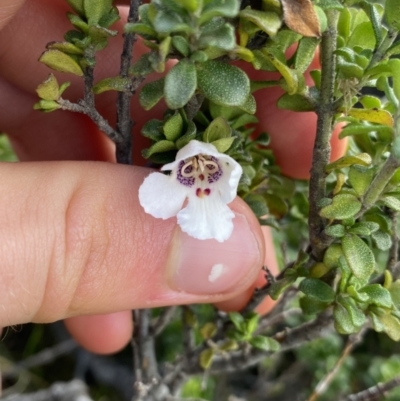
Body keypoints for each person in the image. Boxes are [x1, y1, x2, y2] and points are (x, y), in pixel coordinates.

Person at [0, 0, 345, 354]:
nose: (199, 172)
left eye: (206, 169)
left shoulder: (212, 168)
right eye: (196, 168)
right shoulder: (196, 165)